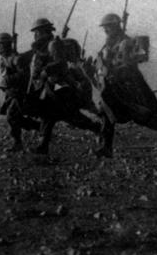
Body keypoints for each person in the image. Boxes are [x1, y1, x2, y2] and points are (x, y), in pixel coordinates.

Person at [93, 13, 157, 158]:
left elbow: (129, 65)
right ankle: (106, 147)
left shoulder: (126, 42)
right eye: (105, 28)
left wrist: (113, 68)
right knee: (107, 110)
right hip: (113, 85)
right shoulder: (109, 44)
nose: (106, 30)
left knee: (141, 116)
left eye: (108, 27)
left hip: (129, 86)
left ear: (116, 26)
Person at [26, 18, 101, 155]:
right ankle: (43, 146)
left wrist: (45, 70)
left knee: (70, 116)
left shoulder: (54, 45)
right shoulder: (43, 47)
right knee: (49, 115)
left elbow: (61, 63)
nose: (35, 35)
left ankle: (96, 128)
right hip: (51, 87)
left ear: (44, 31)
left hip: (61, 87)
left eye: (37, 32)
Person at [0, 32, 40, 151]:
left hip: (19, 93)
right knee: (15, 118)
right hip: (10, 93)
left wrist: (7, 80)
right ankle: (38, 127)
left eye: (1, 44)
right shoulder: (4, 59)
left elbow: (24, 75)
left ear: (7, 45)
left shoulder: (16, 59)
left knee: (12, 117)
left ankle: (19, 142)